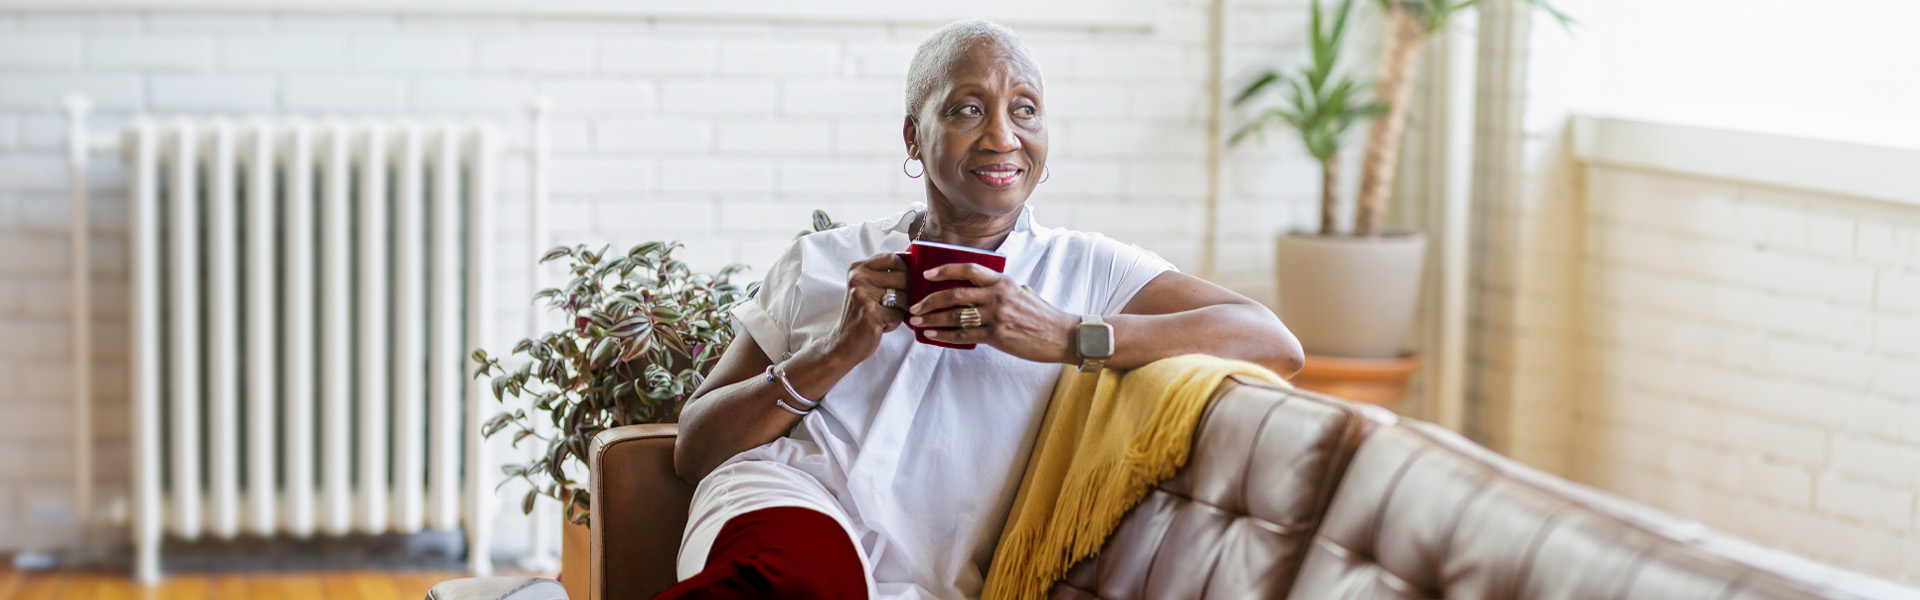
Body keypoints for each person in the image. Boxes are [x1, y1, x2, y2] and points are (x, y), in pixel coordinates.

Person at [660, 19, 1305, 600]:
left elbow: (1272, 341)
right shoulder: (826, 260)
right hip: (796, 506)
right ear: (915, 137)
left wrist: (1067, 334)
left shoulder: (1086, 269)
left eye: (1025, 110)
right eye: (969, 109)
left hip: (946, 569)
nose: (1003, 136)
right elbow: (696, 447)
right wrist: (834, 352)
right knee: (799, 582)